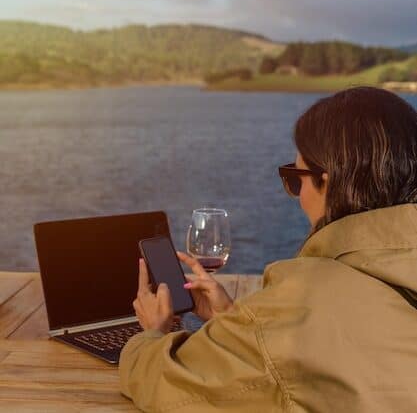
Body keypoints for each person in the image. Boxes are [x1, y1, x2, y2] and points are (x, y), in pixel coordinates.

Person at [119, 86, 417, 412]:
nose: (296, 195)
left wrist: (153, 332)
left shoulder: (303, 304)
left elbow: (168, 384)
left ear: (328, 183)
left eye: (295, 178)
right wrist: (237, 324)